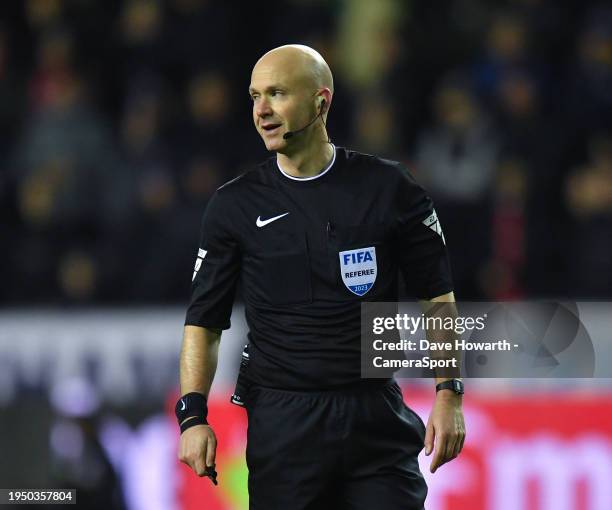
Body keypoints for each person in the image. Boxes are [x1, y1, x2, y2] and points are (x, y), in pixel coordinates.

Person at [177, 44, 466, 510]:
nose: (262, 110)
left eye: (276, 93)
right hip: (285, 423)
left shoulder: (389, 188)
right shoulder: (235, 206)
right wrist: (192, 416)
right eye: (254, 97)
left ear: (321, 101)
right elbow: (204, 322)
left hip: (374, 415)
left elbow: (437, 299)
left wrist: (449, 393)